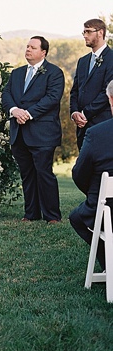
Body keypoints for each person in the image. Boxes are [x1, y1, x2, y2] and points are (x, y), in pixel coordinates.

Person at [1, 36, 64, 223]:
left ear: (43, 52)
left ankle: (52, 216)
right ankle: (31, 214)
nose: (28, 50)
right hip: (19, 133)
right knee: (27, 175)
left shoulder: (54, 73)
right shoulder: (17, 73)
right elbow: (6, 94)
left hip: (43, 133)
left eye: (33, 47)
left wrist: (27, 114)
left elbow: (52, 98)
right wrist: (14, 110)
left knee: (44, 173)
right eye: (27, 46)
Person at [69, 79, 113, 271]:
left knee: (77, 217)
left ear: (111, 100)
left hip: (108, 212)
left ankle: (109, 265)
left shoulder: (96, 134)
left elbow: (79, 174)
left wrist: (96, 195)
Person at [70, 19, 113, 149]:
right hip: (82, 127)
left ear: (100, 32)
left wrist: (85, 114)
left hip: (102, 123)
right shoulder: (82, 61)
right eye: (84, 32)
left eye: (88, 32)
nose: (85, 35)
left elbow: (107, 92)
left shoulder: (111, 58)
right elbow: (75, 90)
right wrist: (74, 113)